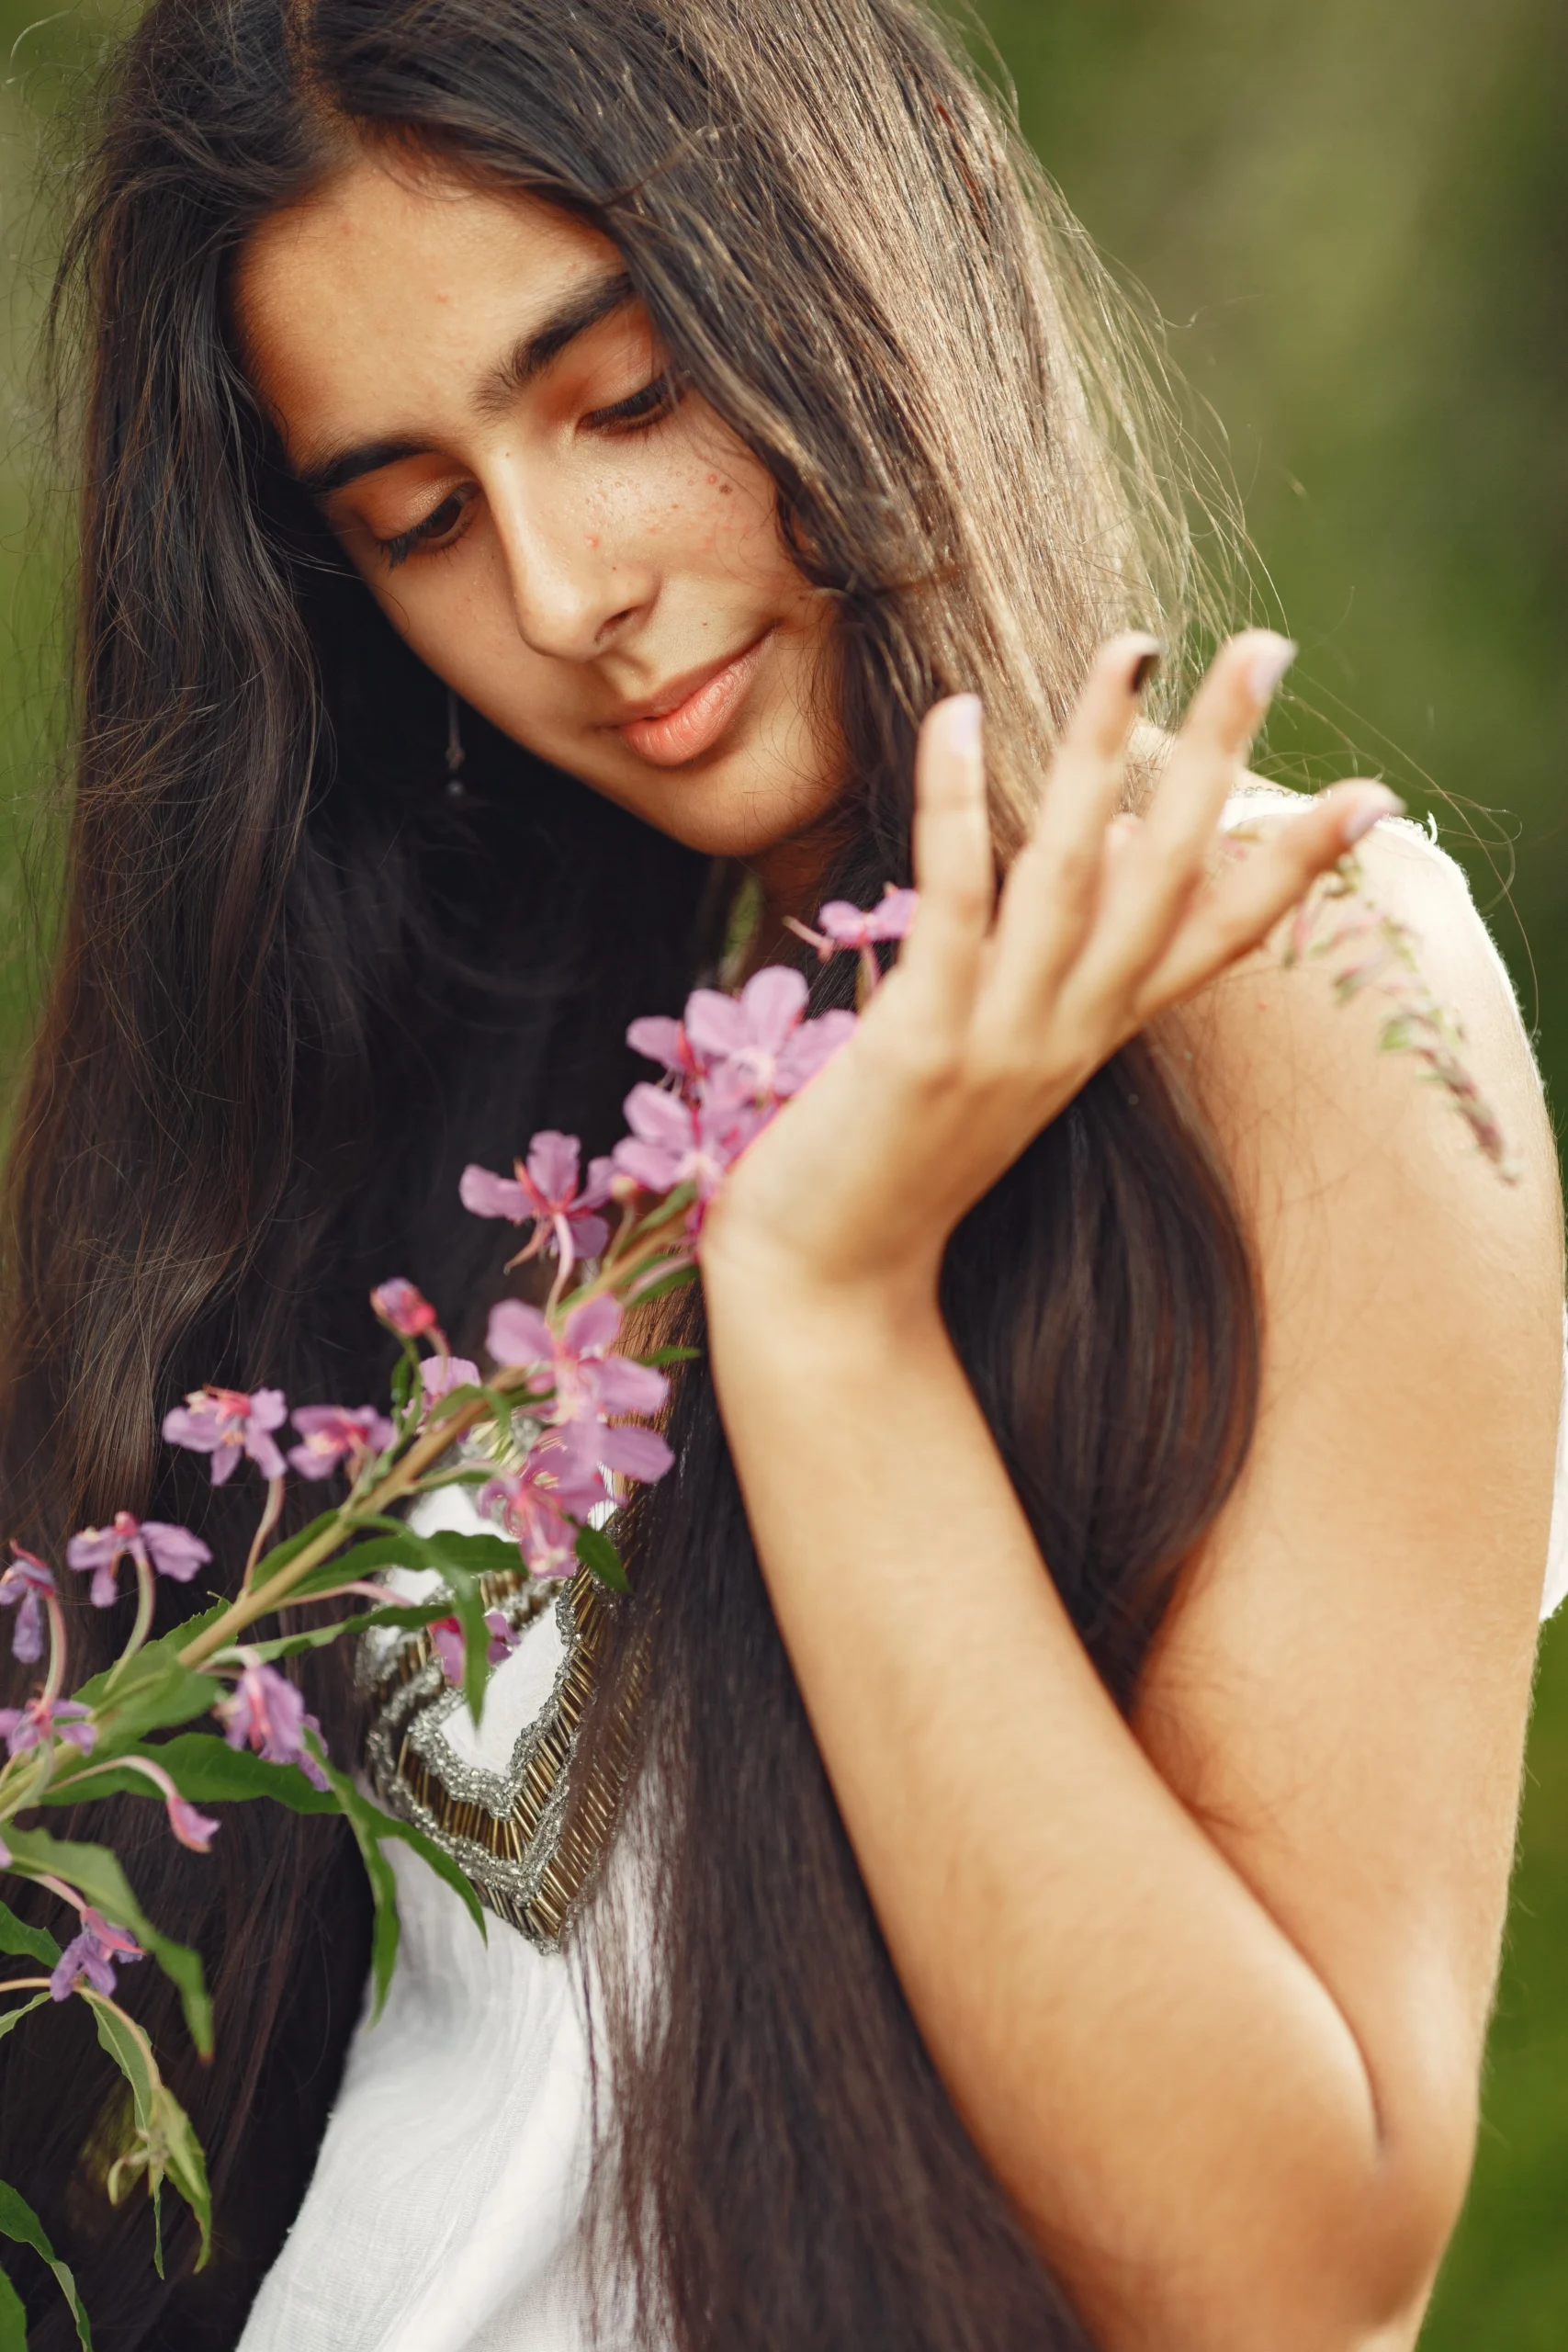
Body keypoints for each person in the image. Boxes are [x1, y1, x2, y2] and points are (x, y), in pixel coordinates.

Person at [0, 2, 1561, 2347]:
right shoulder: (441, 1028)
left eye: (622, 396)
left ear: (847, 248)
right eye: (413, 519)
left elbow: (1289, 2266)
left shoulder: (1279, 988)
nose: (555, 592)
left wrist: (832, 1308)